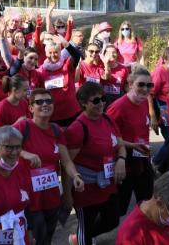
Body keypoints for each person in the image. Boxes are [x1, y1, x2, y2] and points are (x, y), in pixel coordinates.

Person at [14, 88, 84, 245]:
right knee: (34, 239)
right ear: (31, 108)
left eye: (49, 101)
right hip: (28, 199)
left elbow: (66, 161)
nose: (45, 104)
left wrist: (76, 176)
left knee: (47, 238)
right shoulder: (23, 127)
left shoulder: (56, 129)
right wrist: (25, 154)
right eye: (39, 102)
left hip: (51, 197)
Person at [64, 82, 127, 245]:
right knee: (86, 227)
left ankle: (79, 238)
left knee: (112, 220)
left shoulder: (107, 119)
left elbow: (120, 144)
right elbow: (65, 163)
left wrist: (121, 159)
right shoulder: (77, 128)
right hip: (86, 188)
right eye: (96, 101)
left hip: (107, 182)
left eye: (103, 99)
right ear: (83, 103)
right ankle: (82, 238)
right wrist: (68, 195)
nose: (101, 104)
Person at [106, 66, 154, 215]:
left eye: (149, 85)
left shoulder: (144, 102)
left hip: (142, 160)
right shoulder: (118, 107)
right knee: (118, 211)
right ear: (130, 83)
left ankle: (142, 236)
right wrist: (132, 146)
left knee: (147, 202)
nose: (145, 89)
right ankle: (83, 236)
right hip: (123, 162)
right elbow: (107, 137)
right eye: (141, 84)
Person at [38, 36, 82, 127]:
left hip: (71, 112)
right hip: (52, 115)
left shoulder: (67, 65)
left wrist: (65, 43)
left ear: (60, 52)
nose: (53, 55)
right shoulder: (41, 71)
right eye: (50, 53)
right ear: (46, 54)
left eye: (56, 52)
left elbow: (77, 56)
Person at [149, 46, 169, 167]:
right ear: (165, 59)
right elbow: (150, 94)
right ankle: (156, 162)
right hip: (163, 109)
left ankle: (168, 164)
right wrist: (153, 117)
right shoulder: (160, 72)